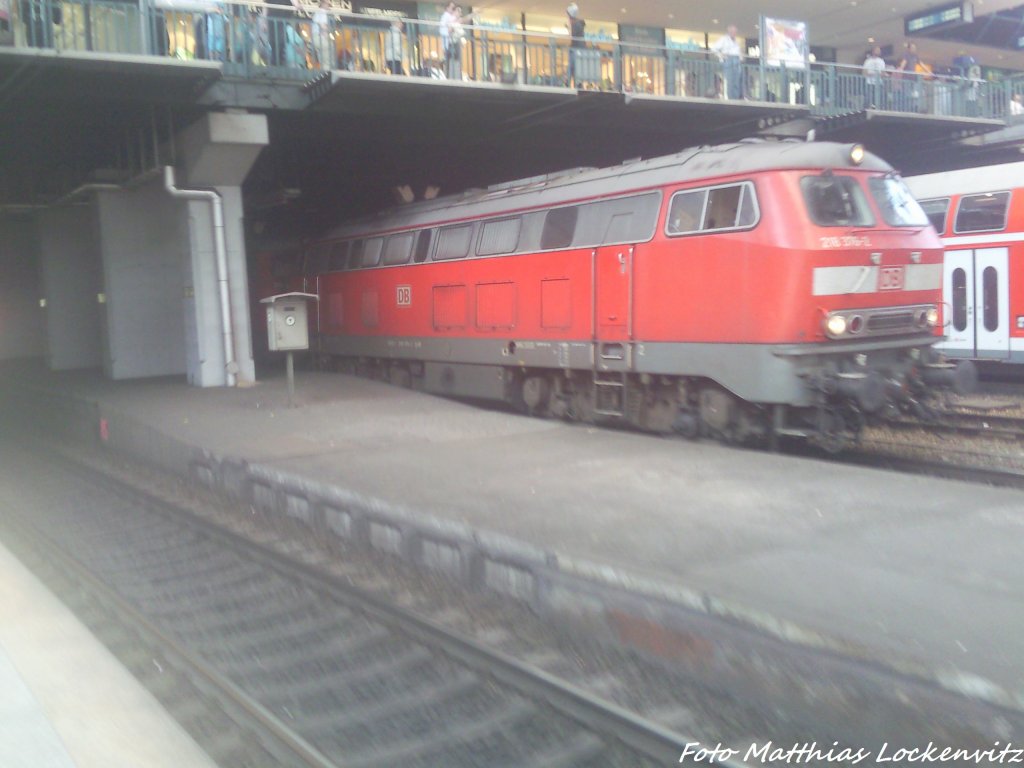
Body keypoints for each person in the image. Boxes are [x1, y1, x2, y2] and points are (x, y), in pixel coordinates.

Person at [711, 24, 742, 100]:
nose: (734, 33)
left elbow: (738, 52)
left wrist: (740, 58)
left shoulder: (736, 41)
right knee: (729, 81)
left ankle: (736, 98)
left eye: (735, 31)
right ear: (729, 31)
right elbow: (713, 49)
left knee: (736, 81)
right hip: (729, 60)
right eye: (732, 31)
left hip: (736, 61)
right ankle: (730, 98)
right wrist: (721, 56)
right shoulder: (724, 39)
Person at [896, 42, 922, 111]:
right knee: (906, 93)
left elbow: (921, 64)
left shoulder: (915, 56)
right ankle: (906, 108)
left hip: (912, 78)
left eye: (915, 48)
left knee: (913, 94)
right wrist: (900, 69)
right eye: (913, 48)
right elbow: (903, 63)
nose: (914, 49)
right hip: (906, 78)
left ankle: (911, 107)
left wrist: (929, 72)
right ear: (909, 49)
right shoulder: (906, 55)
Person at [566, 3, 585, 87]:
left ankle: (570, 82)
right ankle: (577, 83)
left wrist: (569, 29)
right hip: (578, 49)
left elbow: (573, 36)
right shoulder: (578, 24)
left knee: (572, 66)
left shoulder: (576, 25)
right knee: (575, 67)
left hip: (576, 49)